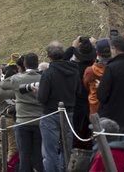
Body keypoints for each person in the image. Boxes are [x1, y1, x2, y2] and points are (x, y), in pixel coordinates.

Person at [37, 41, 80, 172]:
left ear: (49, 56)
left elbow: (42, 98)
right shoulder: (74, 70)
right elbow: (78, 91)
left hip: (50, 114)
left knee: (50, 153)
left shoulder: (48, 73)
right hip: (69, 112)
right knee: (66, 150)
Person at [0, 52, 43, 172]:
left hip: (22, 121)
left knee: (24, 155)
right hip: (39, 119)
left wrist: (20, 74)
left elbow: (3, 84)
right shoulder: (43, 77)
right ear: (37, 63)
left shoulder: (17, 79)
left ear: (24, 64)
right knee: (38, 155)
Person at [83, 38, 111, 115]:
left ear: (97, 53)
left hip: (96, 107)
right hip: (113, 106)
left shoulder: (90, 71)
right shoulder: (116, 68)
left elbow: (86, 86)